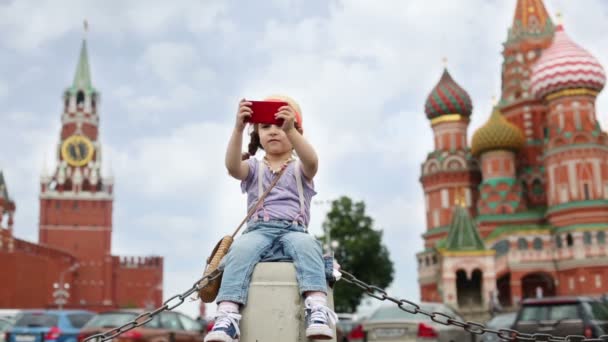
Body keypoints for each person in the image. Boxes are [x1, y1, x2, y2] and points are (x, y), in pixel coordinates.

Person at [204, 95, 337, 342]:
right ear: (257, 135)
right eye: (266, 127)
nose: (274, 131)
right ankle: (227, 316)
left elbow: (313, 161)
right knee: (240, 252)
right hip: (258, 230)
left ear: (295, 131)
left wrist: (292, 131)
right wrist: (238, 128)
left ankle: (317, 309)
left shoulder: (300, 168)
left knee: (308, 248)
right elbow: (233, 167)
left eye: (281, 125)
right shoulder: (254, 167)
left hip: (294, 231)